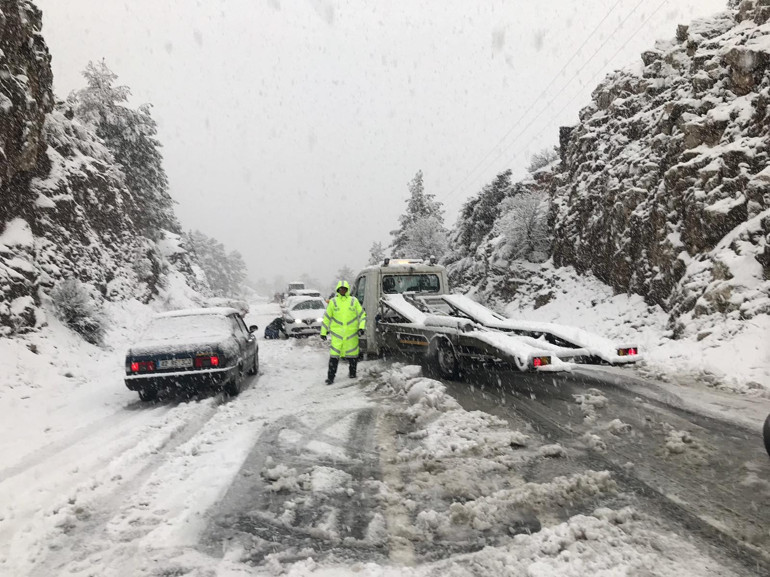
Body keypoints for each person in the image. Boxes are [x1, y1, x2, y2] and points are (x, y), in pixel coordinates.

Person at [320, 280, 366, 384]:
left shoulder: (354, 301)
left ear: (347, 290)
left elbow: (362, 315)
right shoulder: (333, 302)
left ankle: (352, 373)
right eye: (340, 289)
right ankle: (330, 378)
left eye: (344, 289)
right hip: (337, 336)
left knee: (353, 356)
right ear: (338, 289)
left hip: (351, 335)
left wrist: (361, 327)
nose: (342, 290)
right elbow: (327, 318)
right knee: (334, 357)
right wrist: (323, 332)